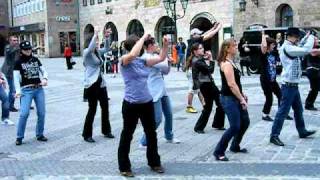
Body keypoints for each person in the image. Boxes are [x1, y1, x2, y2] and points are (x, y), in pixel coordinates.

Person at [117, 33, 169, 177]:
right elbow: (133, 54)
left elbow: (161, 58)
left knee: (151, 134)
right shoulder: (124, 60)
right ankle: (124, 167)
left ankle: (154, 162)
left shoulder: (143, 61)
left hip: (146, 103)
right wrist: (143, 38)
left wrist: (165, 45)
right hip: (131, 104)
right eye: (139, 45)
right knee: (127, 134)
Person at [270, 27, 318, 146]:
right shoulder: (288, 47)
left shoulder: (291, 45)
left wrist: (307, 36)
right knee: (283, 111)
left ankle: (302, 131)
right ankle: (274, 135)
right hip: (288, 86)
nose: (298, 39)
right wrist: (311, 37)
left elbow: (302, 45)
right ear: (291, 36)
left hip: (293, 85)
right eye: (297, 37)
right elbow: (305, 49)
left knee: (298, 110)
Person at [139, 37, 180, 147]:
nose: (157, 46)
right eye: (156, 44)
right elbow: (162, 64)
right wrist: (166, 58)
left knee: (169, 114)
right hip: (153, 91)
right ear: (150, 46)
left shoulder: (156, 57)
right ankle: (144, 141)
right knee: (157, 119)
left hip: (162, 90)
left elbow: (165, 71)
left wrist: (169, 62)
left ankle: (169, 136)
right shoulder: (146, 57)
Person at [213, 39, 250, 161]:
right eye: (234, 46)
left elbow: (236, 83)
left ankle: (235, 145)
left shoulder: (231, 62)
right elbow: (231, 84)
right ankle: (219, 151)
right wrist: (241, 99)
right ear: (227, 49)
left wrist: (242, 94)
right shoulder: (226, 64)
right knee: (235, 126)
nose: (236, 47)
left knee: (245, 122)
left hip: (235, 96)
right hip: (228, 98)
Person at [82, 29, 114, 143]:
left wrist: (106, 37)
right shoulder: (87, 52)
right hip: (91, 84)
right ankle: (87, 134)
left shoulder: (97, 52)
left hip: (100, 83)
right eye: (95, 41)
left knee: (105, 107)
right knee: (92, 109)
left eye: (97, 41)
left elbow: (107, 49)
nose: (96, 43)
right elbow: (90, 49)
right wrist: (95, 34)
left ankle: (106, 130)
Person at [14, 41, 49, 145]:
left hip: (39, 89)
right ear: (21, 50)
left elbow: (44, 71)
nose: (28, 51)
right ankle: (19, 137)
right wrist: (18, 91)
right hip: (26, 90)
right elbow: (16, 78)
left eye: (29, 49)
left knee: (42, 113)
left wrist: (45, 79)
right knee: (24, 113)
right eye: (26, 49)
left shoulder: (36, 59)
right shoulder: (18, 62)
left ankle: (40, 134)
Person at [185, 22, 222, 113]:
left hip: (193, 68)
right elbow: (208, 36)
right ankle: (189, 106)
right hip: (192, 69)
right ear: (193, 35)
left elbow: (204, 34)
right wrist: (217, 29)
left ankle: (204, 104)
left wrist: (213, 28)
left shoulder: (194, 40)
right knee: (193, 88)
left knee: (198, 88)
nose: (200, 35)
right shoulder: (195, 41)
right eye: (198, 33)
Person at [190, 43, 225, 134]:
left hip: (209, 84)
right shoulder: (197, 61)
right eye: (200, 48)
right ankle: (199, 127)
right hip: (205, 86)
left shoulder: (199, 59)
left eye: (202, 48)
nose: (203, 49)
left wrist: (208, 58)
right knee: (209, 107)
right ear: (195, 51)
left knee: (220, 103)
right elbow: (210, 70)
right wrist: (211, 59)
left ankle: (218, 124)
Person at [260, 32, 293, 121]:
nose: (273, 46)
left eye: (274, 45)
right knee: (269, 98)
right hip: (265, 80)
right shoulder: (264, 54)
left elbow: (281, 50)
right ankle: (265, 114)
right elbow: (263, 47)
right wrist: (263, 35)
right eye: (272, 45)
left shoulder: (274, 53)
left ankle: (283, 113)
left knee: (280, 95)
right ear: (268, 45)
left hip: (273, 79)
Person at [2, 35, 20, 113]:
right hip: (9, 71)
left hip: (17, 70)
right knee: (13, 89)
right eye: (14, 40)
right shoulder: (8, 47)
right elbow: (10, 52)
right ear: (10, 41)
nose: (16, 42)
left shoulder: (18, 48)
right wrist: (18, 47)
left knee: (22, 87)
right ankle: (10, 106)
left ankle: (25, 104)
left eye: (16, 40)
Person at [304, 36, 320, 111]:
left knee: (315, 89)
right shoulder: (310, 49)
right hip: (312, 70)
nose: (318, 41)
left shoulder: (316, 47)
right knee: (314, 89)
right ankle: (308, 104)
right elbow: (315, 52)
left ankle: (309, 103)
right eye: (316, 40)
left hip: (316, 71)